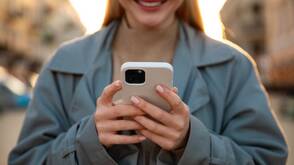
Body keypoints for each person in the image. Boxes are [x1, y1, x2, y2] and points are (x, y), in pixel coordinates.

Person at [9, 0, 288, 164]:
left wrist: (191, 142)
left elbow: (267, 158)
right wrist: (87, 140)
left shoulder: (233, 66)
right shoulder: (62, 64)